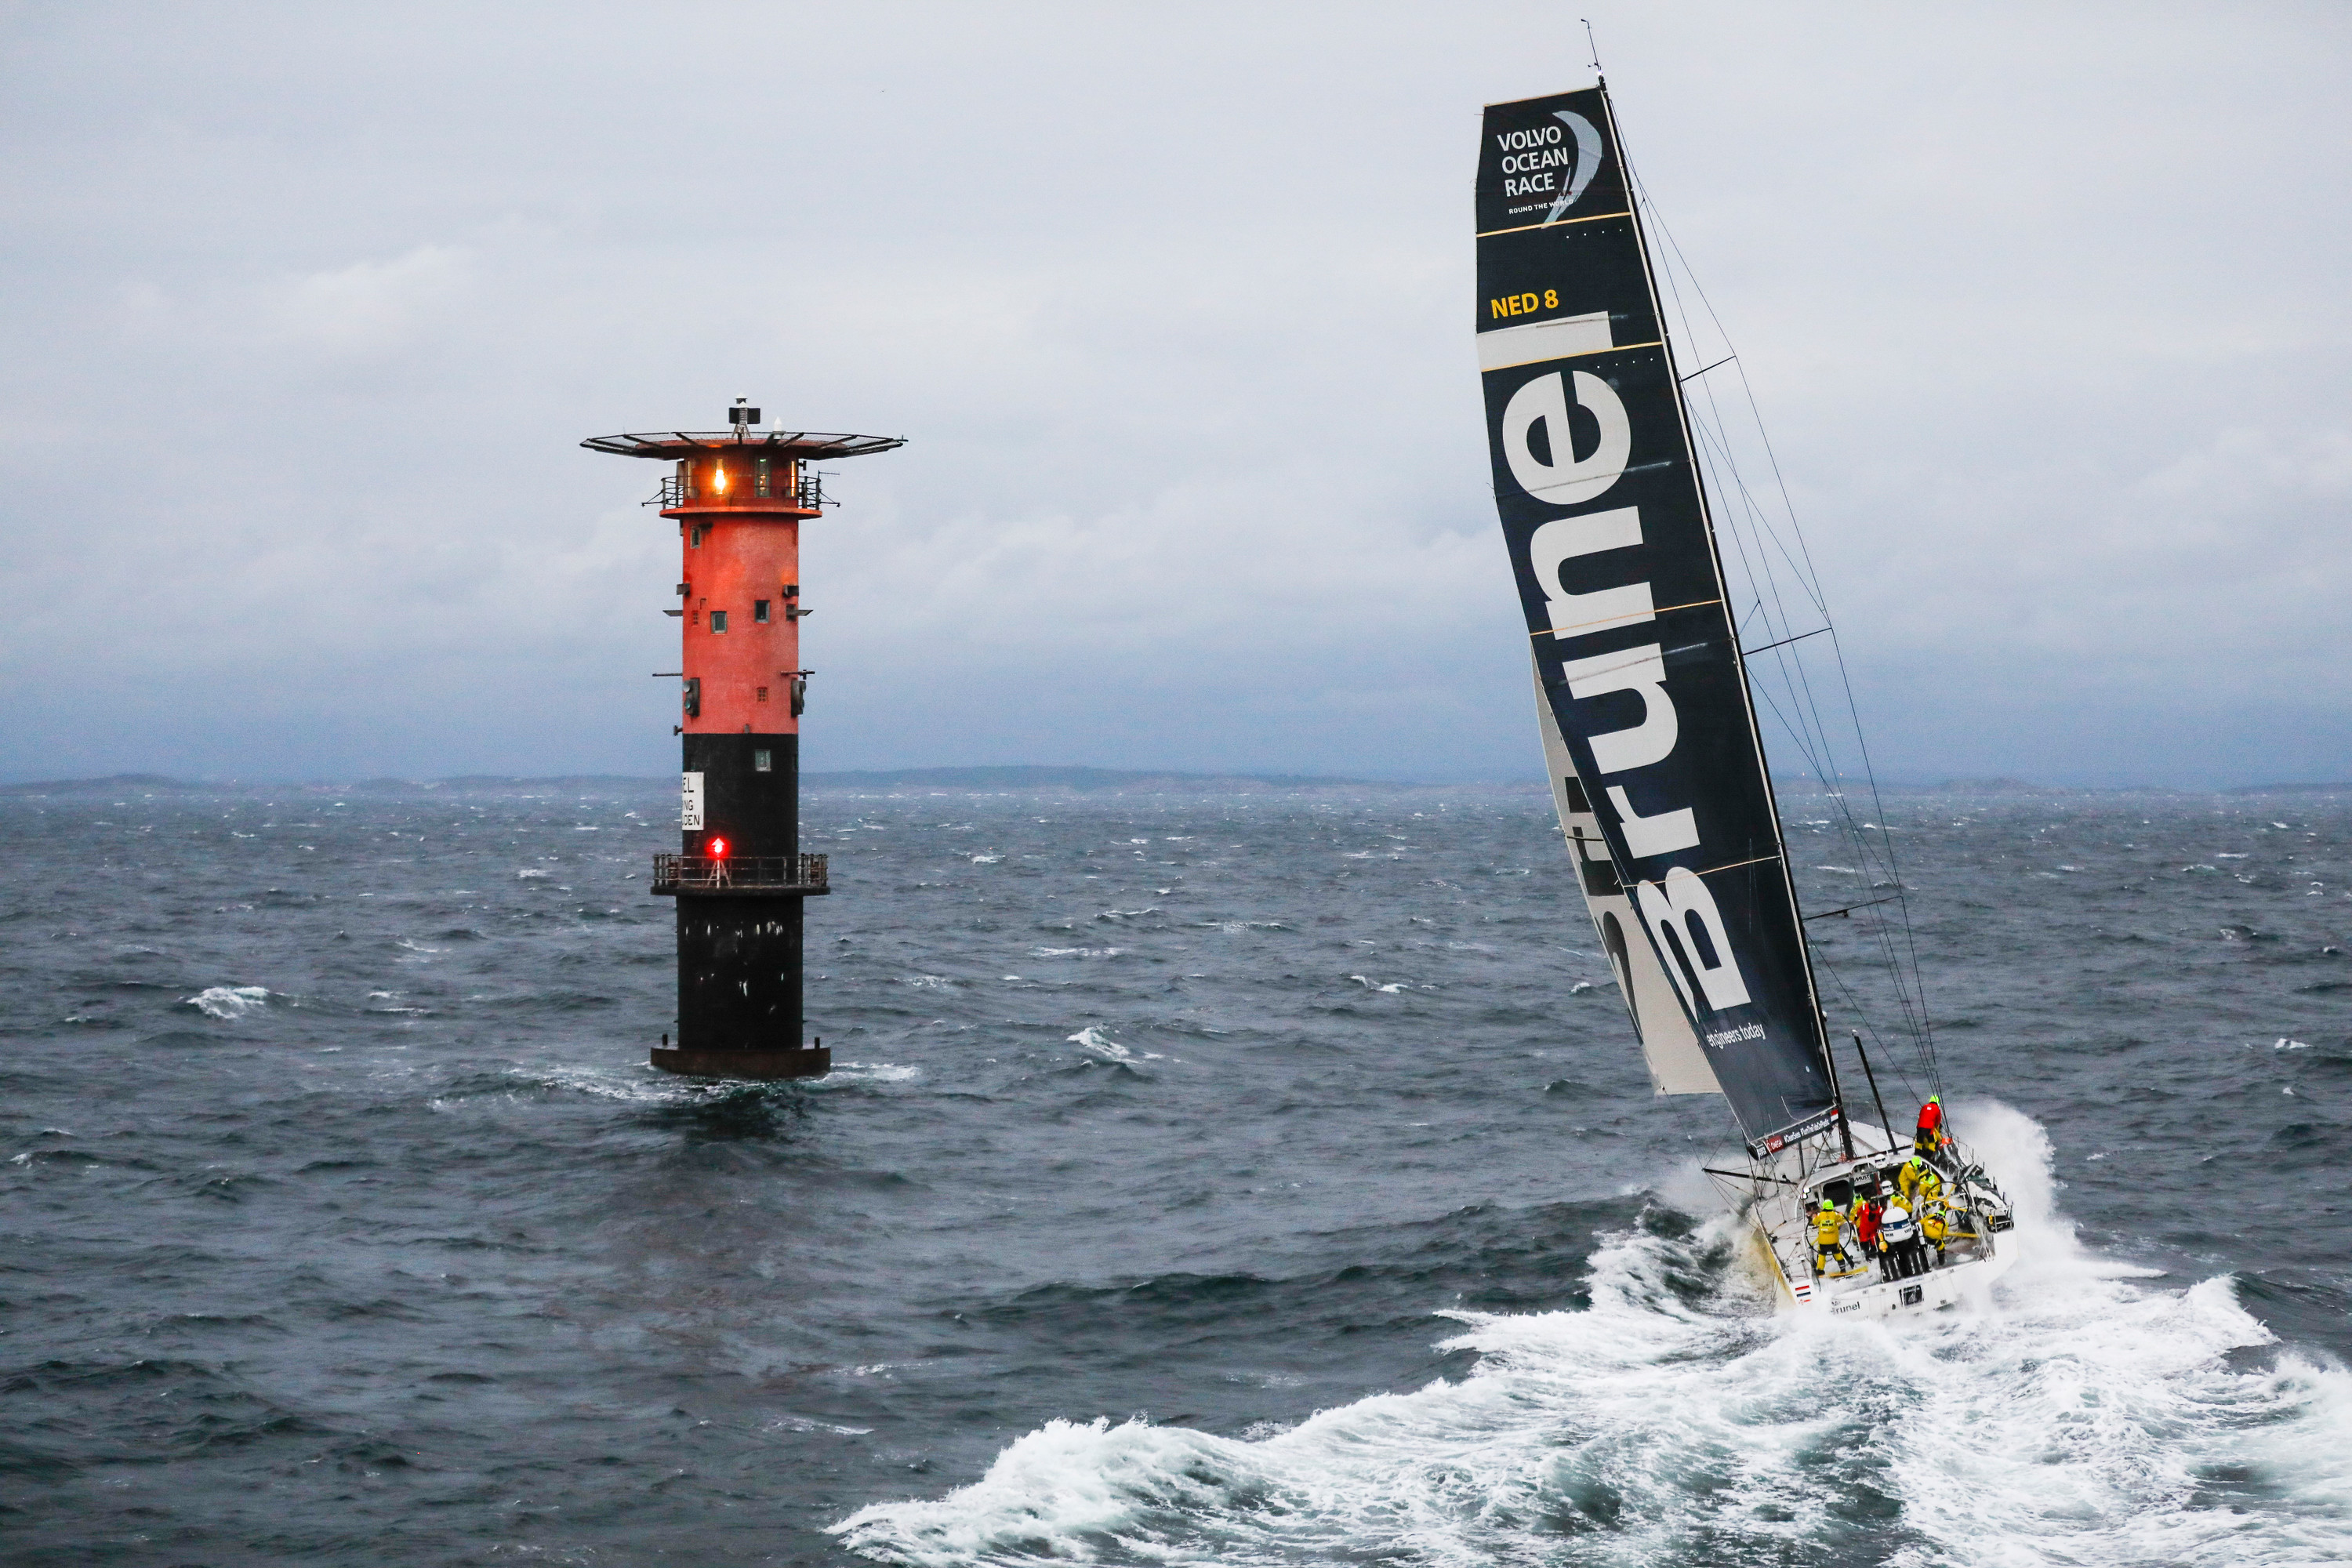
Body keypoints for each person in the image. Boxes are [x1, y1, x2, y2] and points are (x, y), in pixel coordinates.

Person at [1878, 1199, 1919, 1279]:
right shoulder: (1892, 1215)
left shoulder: (1889, 1215)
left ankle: (1910, 1272)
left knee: (1908, 1254)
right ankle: (1904, 1273)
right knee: (1892, 1258)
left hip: (1901, 1243)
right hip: (1898, 1243)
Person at [1811, 1198, 1852, 1277]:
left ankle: (1820, 1271)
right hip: (1834, 1241)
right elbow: (1841, 1218)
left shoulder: (1820, 1215)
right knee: (1837, 1254)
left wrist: (1814, 1217)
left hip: (1823, 1242)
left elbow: (1815, 1222)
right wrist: (1840, 1214)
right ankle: (1843, 1269)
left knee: (1822, 1256)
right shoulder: (1834, 1215)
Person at [1915, 1094, 1946, 1163]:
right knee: (1932, 1145)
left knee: (1918, 1144)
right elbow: (1938, 1121)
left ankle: (1917, 1158)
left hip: (1919, 1128)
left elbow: (1921, 1116)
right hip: (1929, 1129)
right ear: (1937, 1102)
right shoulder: (1937, 1109)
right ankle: (1928, 1160)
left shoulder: (1924, 1107)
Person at [1920, 1201, 1950, 1266]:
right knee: (1941, 1246)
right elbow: (1944, 1234)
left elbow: (1920, 1223)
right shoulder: (1945, 1222)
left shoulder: (1930, 1216)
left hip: (1924, 1237)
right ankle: (1941, 1262)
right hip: (1934, 1239)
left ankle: (1924, 1263)